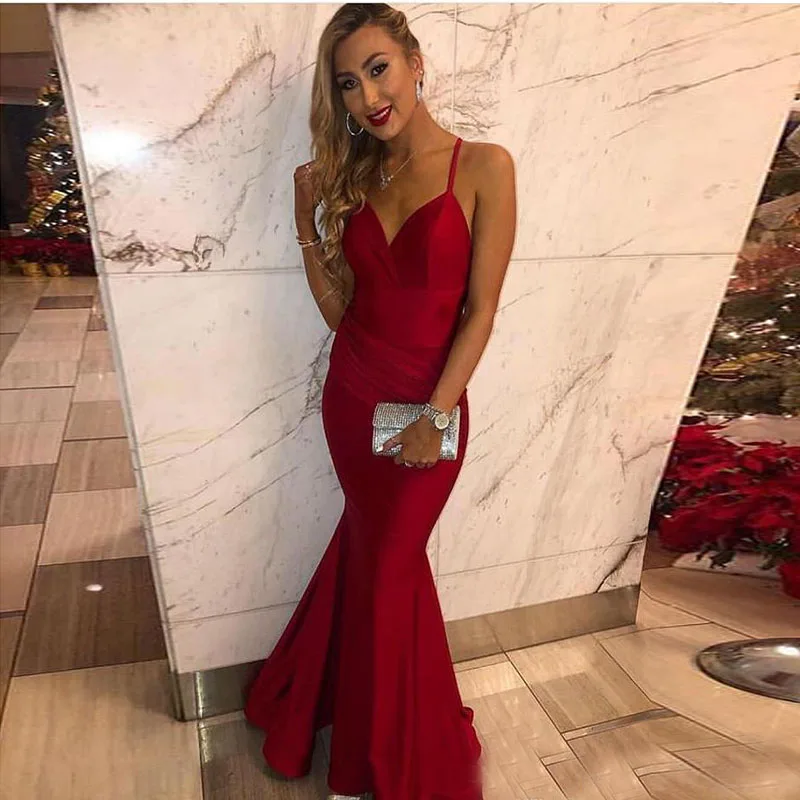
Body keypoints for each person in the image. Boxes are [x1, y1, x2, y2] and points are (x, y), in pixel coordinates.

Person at [244, 4, 516, 798]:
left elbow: (481, 311)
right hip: (354, 397)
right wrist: (305, 223)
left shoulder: (484, 166)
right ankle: (370, 738)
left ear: (415, 62)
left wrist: (437, 416)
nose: (367, 96)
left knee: (388, 569)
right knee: (375, 563)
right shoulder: (358, 178)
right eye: (347, 84)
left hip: (433, 403)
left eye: (377, 69)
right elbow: (344, 313)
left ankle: (378, 751)